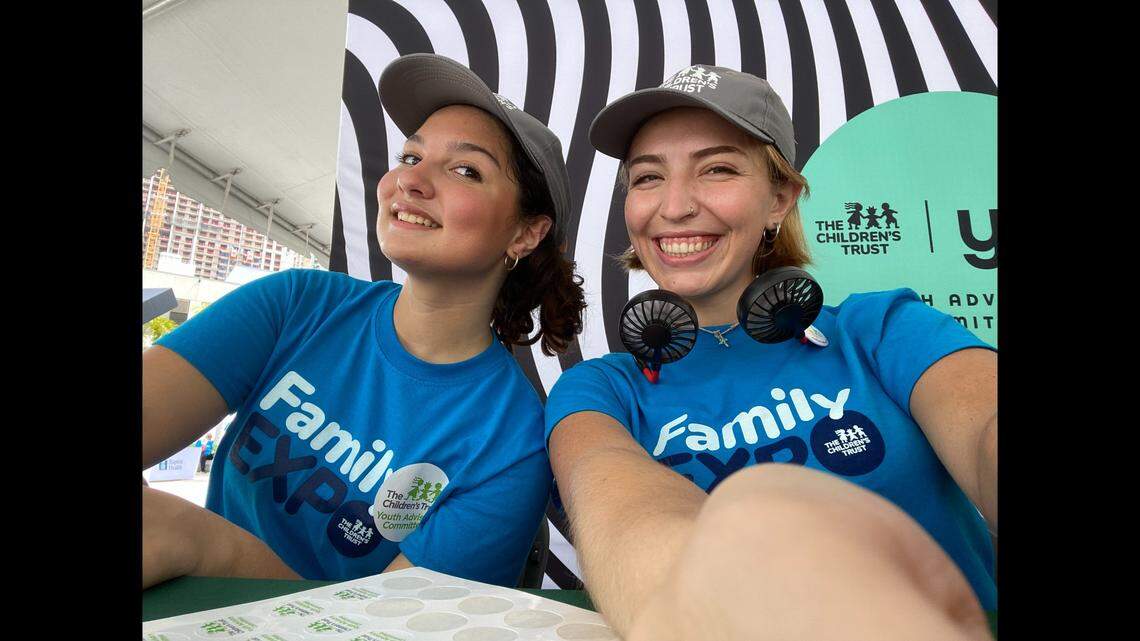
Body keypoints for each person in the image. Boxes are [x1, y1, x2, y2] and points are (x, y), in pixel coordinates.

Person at [545, 64, 996, 640]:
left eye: (717, 168)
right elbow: (629, 523)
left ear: (779, 199)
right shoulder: (598, 391)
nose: (675, 206)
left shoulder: (883, 329)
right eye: (648, 177)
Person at [143, 53, 585, 589]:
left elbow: (394, 622)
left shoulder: (513, 444)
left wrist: (202, 544)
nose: (410, 180)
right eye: (411, 156)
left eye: (466, 170)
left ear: (525, 234)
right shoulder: (297, 303)